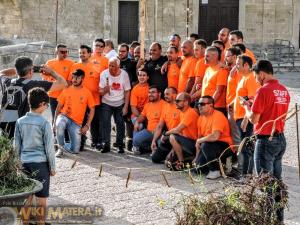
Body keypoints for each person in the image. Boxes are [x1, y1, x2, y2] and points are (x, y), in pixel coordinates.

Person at [244, 60, 290, 223]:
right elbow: (272, 111)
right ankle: (279, 220)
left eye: (256, 76)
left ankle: (266, 220)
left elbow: (254, 119)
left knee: (265, 184)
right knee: (277, 182)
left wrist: (247, 108)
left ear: (262, 74)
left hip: (265, 141)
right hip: (280, 138)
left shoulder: (263, 91)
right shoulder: (284, 90)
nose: (256, 80)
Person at [14, 87, 56, 225]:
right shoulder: (44, 123)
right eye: (47, 105)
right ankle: (40, 223)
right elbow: (49, 148)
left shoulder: (20, 121)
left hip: (24, 163)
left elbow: (16, 146)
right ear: (42, 104)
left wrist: (17, 164)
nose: (47, 107)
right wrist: (53, 167)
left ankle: (24, 223)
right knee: (42, 197)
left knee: (27, 196)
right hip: (41, 164)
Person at [0, 56, 67, 138]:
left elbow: (1, 73)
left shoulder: (7, 82)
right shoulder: (33, 84)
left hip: (4, 126)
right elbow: (63, 83)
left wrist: (19, 69)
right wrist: (51, 72)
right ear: (31, 71)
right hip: (21, 129)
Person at [54, 69, 95, 156]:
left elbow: (92, 109)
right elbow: (58, 107)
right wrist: (54, 123)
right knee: (60, 124)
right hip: (64, 116)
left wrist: (87, 126)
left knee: (75, 150)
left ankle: (59, 142)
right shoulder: (66, 90)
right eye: (73, 77)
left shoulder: (87, 92)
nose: (74, 80)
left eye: (77, 78)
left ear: (82, 79)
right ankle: (60, 149)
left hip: (76, 123)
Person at [69, 45, 101, 150]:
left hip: (94, 99)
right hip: (79, 100)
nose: (81, 54)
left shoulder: (96, 66)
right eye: (80, 53)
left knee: (95, 121)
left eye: (84, 52)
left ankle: (96, 142)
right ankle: (80, 142)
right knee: (79, 121)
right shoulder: (75, 66)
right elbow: (70, 82)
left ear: (89, 54)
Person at [194, 95, 234, 179]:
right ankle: (219, 166)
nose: (199, 106)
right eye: (198, 104)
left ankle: (215, 170)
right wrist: (196, 158)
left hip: (225, 146)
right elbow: (198, 143)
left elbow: (215, 136)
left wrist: (199, 141)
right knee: (198, 169)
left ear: (211, 105)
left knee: (205, 144)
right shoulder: (200, 118)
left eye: (202, 104)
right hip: (209, 146)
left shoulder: (218, 115)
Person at [233, 55, 260, 174]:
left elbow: (252, 100)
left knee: (246, 147)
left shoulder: (251, 78)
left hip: (246, 119)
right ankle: (245, 175)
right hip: (239, 116)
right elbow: (242, 97)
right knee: (244, 147)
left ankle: (246, 176)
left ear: (246, 65)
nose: (236, 66)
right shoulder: (243, 78)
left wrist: (245, 119)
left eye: (238, 64)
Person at [99, 57, 131, 153]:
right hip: (106, 102)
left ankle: (120, 144)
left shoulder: (124, 74)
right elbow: (100, 92)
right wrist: (105, 90)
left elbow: (127, 91)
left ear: (118, 66)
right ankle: (106, 144)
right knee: (106, 123)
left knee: (120, 123)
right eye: (109, 65)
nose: (110, 67)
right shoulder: (104, 74)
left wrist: (125, 106)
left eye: (113, 66)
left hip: (120, 102)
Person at [166, 92, 199, 170]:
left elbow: (177, 130)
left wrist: (165, 133)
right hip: (187, 141)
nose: (175, 103)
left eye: (178, 101)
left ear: (186, 102)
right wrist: (173, 149)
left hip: (195, 144)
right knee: (168, 162)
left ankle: (182, 162)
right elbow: (180, 132)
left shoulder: (190, 112)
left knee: (172, 136)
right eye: (175, 101)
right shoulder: (182, 112)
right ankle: (189, 159)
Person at [42, 44, 74, 119]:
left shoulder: (71, 63)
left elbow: (69, 82)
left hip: (66, 96)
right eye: (62, 52)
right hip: (53, 96)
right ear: (56, 52)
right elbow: (45, 80)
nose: (65, 54)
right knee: (55, 118)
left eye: (66, 52)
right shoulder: (49, 63)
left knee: (66, 119)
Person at [132, 85, 165, 154]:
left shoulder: (165, 105)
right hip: (149, 131)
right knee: (135, 140)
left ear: (159, 94)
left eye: (153, 92)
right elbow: (141, 116)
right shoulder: (147, 105)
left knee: (161, 146)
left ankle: (153, 147)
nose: (150, 94)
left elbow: (164, 122)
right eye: (149, 92)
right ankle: (148, 147)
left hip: (160, 132)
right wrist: (137, 122)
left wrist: (159, 131)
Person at [151, 87, 180, 163]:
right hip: (169, 137)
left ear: (175, 95)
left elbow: (182, 132)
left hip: (179, 139)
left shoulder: (180, 108)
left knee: (170, 160)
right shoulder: (165, 106)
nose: (165, 96)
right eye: (164, 94)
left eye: (167, 94)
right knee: (155, 158)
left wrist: (173, 150)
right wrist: (153, 141)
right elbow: (160, 126)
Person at [201, 46, 228, 115]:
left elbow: (219, 91)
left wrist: (209, 104)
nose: (205, 58)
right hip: (206, 106)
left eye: (207, 56)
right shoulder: (208, 69)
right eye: (205, 56)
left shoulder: (222, 70)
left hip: (216, 106)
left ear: (215, 57)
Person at [129, 68, 149, 150]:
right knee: (140, 125)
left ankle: (144, 145)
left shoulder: (150, 89)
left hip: (147, 115)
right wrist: (141, 118)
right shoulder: (135, 89)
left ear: (148, 77)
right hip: (136, 115)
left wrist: (145, 117)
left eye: (144, 75)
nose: (141, 77)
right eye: (140, 75)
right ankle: (135, 146)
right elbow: (133, 108)